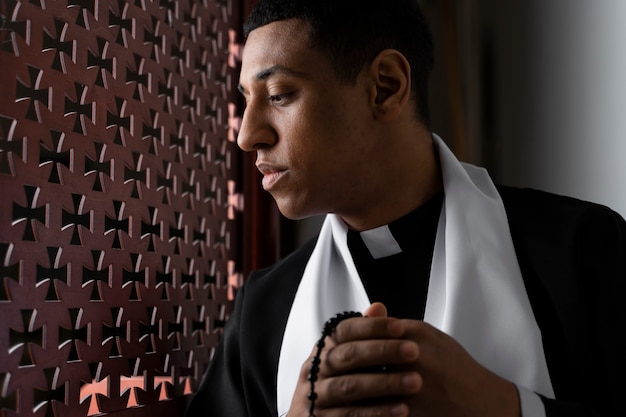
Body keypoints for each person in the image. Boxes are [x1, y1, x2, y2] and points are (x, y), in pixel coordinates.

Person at [185, 0, 626, 416]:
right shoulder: (262, 312)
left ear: (386, 87)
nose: (246, 136)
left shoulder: (581, 250)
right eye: (245, 100)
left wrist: (506, 407)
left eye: (279, 94)